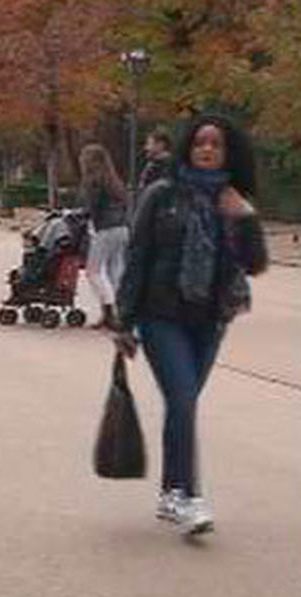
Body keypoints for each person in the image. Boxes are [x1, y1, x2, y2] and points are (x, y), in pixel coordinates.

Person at [114, 113, 270, 536]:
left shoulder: (233, 200)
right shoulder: (162, 195)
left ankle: (170, 491)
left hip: (212, 318)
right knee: (183, 400)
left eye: (215, 144)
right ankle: (190, 496)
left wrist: (246, 217)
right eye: (200, 142)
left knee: (182, 405)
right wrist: (123, 321)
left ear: (227, 152)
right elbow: (137, 258)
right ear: (188, 147)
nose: (206, 149)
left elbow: (255, 265)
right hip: (161, 315)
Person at [78, 144, 130, 330]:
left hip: (105, 229)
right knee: (115, 270)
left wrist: (82, 217)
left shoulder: (94, 181)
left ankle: (108, 309)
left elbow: (92, 207)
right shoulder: (114, 181)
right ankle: (118, 312)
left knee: (93, 271)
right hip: (122, 228)